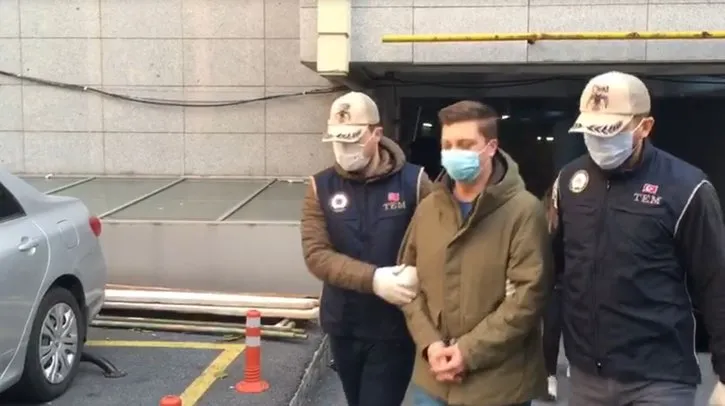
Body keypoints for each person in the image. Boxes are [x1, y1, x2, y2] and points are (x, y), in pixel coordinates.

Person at [552, 71, 725, 405]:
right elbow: (555, 271)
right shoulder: (570, 181)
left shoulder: (687, 187)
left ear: (644, 127)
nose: (598, 141)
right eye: (591, 131)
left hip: (659, 378)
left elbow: (716, 280)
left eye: (610, 132)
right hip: (586, 376)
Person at [397, 100, 552, 406]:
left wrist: (467, 352)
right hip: (431, 381)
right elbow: (408, 283)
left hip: (498, 387)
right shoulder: (429, 209)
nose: (454, 153)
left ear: (491, 147)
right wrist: (430, 345)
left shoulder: (523, 211)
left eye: (466, 145)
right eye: (448, 145)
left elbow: (528, 298)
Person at [300, 91, 433, 406]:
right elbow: (317, 255)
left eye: (353, 141)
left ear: (376, 134)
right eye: (337, 141)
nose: (344, 150)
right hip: (343, 324)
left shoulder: (415, 182)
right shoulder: (320, 186)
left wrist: (421, 274)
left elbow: (439, 241)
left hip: (394, 327)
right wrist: (373, 279)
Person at [540, 185, 564, 402]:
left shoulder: (569, 222)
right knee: (548, 329)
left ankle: (551, 375)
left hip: (563, 283)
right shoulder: (540, 221)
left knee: (555, 328)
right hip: (544, 283)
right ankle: (548, 374)